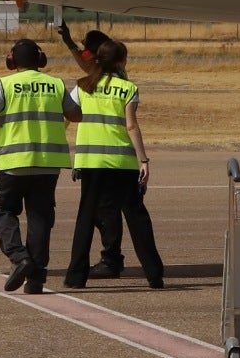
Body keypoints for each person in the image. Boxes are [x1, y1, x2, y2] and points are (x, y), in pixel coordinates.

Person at [63, 39, 164, 289]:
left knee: (85, 217)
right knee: (136, 216)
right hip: (121, 161)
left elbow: (67, 116)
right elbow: (131, 125)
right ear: (121, 62)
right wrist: (143, 159)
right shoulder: (128, 88)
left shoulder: (83, 86)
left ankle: (76, 276)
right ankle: (154, 274)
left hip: (90, 161)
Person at [0, 38, 71, 294]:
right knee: (40, 217)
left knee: (1, 208)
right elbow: (75, 114)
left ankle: (20, 257)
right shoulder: (56, 84)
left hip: (14, 162)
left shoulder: (6, 84)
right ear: (40, 60)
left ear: (11, 61)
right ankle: (36, 279)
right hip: (49, 164)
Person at [56, 23, 128, 277]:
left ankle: (111, 259)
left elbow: (70, 112)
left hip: (98, 160)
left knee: (102, 211)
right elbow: (86, 63)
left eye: (88, 50)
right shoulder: (116, 80)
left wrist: (70, 45)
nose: (85, 54)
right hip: (116, 159)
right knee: (109, 211)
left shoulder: (93, 83)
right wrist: (70, 45)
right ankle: (112, 257)